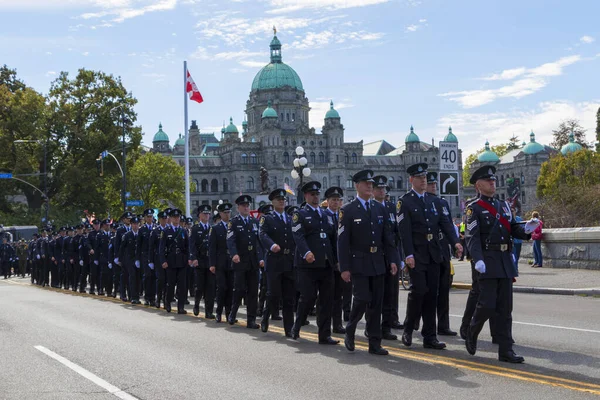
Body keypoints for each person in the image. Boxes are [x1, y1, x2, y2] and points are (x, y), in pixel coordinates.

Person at [464, 165, 537, 363]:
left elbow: (512, 228)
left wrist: (527, 229)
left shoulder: (503, 206)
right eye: (489, 181)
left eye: (494, 180)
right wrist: (477, 259)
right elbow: (472, 236)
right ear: (479, 185)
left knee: (505, 308)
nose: (493, 183)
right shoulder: (474, 208)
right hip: (487, 261)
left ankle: (506, 350)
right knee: (487, 304)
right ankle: (472, 330)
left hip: (504, 261)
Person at [398, 163, 462, 350]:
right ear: (411, 180)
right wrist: (408, 254)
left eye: (425, 177)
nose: (423, 180)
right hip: (416, 254)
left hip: (433, 253)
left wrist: (456, 242)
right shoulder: (405, 202)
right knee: (419, 291)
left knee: (432, 295)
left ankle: (430, 336)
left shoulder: (434, 201)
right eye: (419, 177)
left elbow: (446, 225)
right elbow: (404, 232)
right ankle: (408, 329)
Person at [339, 170, 399, 355]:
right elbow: (342, 241)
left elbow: (387, 238)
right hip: (359, 263)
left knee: (376, 303)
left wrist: (393, 260)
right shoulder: (348, 210)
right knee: (362, 298)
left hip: (378, 262)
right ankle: (351, 327)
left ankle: (375, 342)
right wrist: (344, 267)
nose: (370, 186)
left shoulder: (380, 208)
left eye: (371, 183)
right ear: (357, 185)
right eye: (366, 183)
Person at [291, 181, 339, 345]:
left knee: (327, 300)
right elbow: (298, 236)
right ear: (305, 196)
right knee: (308, 297)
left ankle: (324, 335)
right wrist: (306, 252)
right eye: (312, 194)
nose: (315, 197)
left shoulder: (326, 215)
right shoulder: (300, 214)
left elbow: (333, 238)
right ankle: (297, 326)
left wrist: (337, 260)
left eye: (317, 194)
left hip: (326, 264)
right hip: (308, 265)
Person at [258, 188, 296, 335]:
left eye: (283, 199)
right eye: (279, 199)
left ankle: (289, 329)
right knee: (273, 294)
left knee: (288, 297)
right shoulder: (267, 218)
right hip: (274, 261)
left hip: (288, 261)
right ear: (272, 202)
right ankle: (265, 317)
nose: (282, 201)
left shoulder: (291, 218)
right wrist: (271, 245)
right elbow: (262, 234)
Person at [425, 172, 459, 337]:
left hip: (443, 248)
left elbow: (449, 227)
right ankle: (426, 326)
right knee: (430, 291)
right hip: (430, 250)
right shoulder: (423, 202)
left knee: (444, 290)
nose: (433, 186)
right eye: (430, 184)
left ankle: (443, 325)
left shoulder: (442, 202)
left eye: (434, 184)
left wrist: (455, 243)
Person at [371, 176, 402, 340]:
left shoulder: (392, 207)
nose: (382, 191)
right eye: (378, 188)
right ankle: (373, 326)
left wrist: (399, 256)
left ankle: (388, 325)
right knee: (377, 294)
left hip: (392, 255)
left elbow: (398, 231)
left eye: (384, 188)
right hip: (376, 256)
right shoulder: (371, 207)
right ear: (373, 190)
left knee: (391, 292)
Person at [226, 195, 264, 328]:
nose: (246, 207)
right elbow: (230, 240)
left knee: (253, 292)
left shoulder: (254, 222)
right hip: (240, 261)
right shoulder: (234, 222)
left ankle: (251, 320)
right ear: (238, 207)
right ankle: (233, 313)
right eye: (243, 206)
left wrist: (261, 258)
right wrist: (234, 254)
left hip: (253, 262)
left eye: (248, 205)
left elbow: (259, 242)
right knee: (239, 289)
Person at [323, 185, 351, 334]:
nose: (336, 203)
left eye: (339, 200)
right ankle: (326, 325)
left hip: (342, 261)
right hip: (329, 261)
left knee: (340, 295)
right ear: (327, 201)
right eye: (333, 200)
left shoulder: (343, 216)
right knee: (329, 296)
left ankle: (338, 324)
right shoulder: (323, 216)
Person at [159, 208, 189, 314]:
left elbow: (187, 247)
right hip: (170, 262)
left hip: (181, 262)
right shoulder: (166, 231)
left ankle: (180, 307)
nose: (176, 219)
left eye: (178, 217)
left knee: (182, 285)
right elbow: (161, 248)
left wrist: (187, 259)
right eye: (174, 217)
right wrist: (163, 261)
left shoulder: (183, 231)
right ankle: (167, 302)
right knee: (170, 284)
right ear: (171, 218)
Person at [190, 204, 216, 318]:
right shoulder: (195, 229)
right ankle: (196, 304)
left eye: (208, 214)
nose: (207, 215)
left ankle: (208, 311)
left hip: (210, 261)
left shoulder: (212, 229)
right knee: (200, 286)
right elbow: (192, 245)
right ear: (199, 215)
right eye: (204, 213)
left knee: (210, 287)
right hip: (200, 260)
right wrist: (193, 258)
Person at [209, 202, 234, 323]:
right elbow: (212, 248)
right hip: (220, 263)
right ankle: (219, 312)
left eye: (229, 212)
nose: (227, 214)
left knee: (230, 288)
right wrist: (212, 264)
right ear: (220, 214)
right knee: (222, 287)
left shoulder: (234, 226)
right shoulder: (215, 228)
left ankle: (229, 312)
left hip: (232, 262)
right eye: (225, 212)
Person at [120, 216, 142, 304]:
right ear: (131, 225)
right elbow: (122, 248)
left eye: (137, 224)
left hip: (139, 259)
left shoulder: (141, 234)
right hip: (129, 259)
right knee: (132, 277)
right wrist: (120, 260)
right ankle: (132, 296)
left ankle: (137, 296)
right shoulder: (127, 235)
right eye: (134, 224)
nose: (136, 226)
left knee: (138, 278)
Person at [149, 211, 168, 308]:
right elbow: (151, 247)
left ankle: (166, 299)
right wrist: (150, 261)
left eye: (165, 219)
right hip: (158, 259)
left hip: (168, 259)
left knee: (167, 280)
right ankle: (158, 298)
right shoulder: (155, 231)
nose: (164, 220)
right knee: (160, 279)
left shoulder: (169, 230)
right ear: (160, 219)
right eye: (162, 219)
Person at [138, 209, 156, 306]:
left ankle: (153, 297)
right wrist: (138, 259)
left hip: (154, 256)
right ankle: (147, 296)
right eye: (148, 217)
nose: (150, 218)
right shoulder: (142, 230)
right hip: (145, 256)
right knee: (147, 276)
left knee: (154, 277)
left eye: (151, 216)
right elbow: (139, 245)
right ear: (145, 218)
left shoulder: (156, 228)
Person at [511, 208, 523, 272]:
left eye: (513, 211)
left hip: (519, 240)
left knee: (517, 255)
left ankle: (515, 267)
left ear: (515, 212)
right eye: (511, 211)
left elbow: (523, 228)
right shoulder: (508, 219)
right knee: (514, 255)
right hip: (512, 241)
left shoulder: (519, 219)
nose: (512, 212)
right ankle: (514, 269)